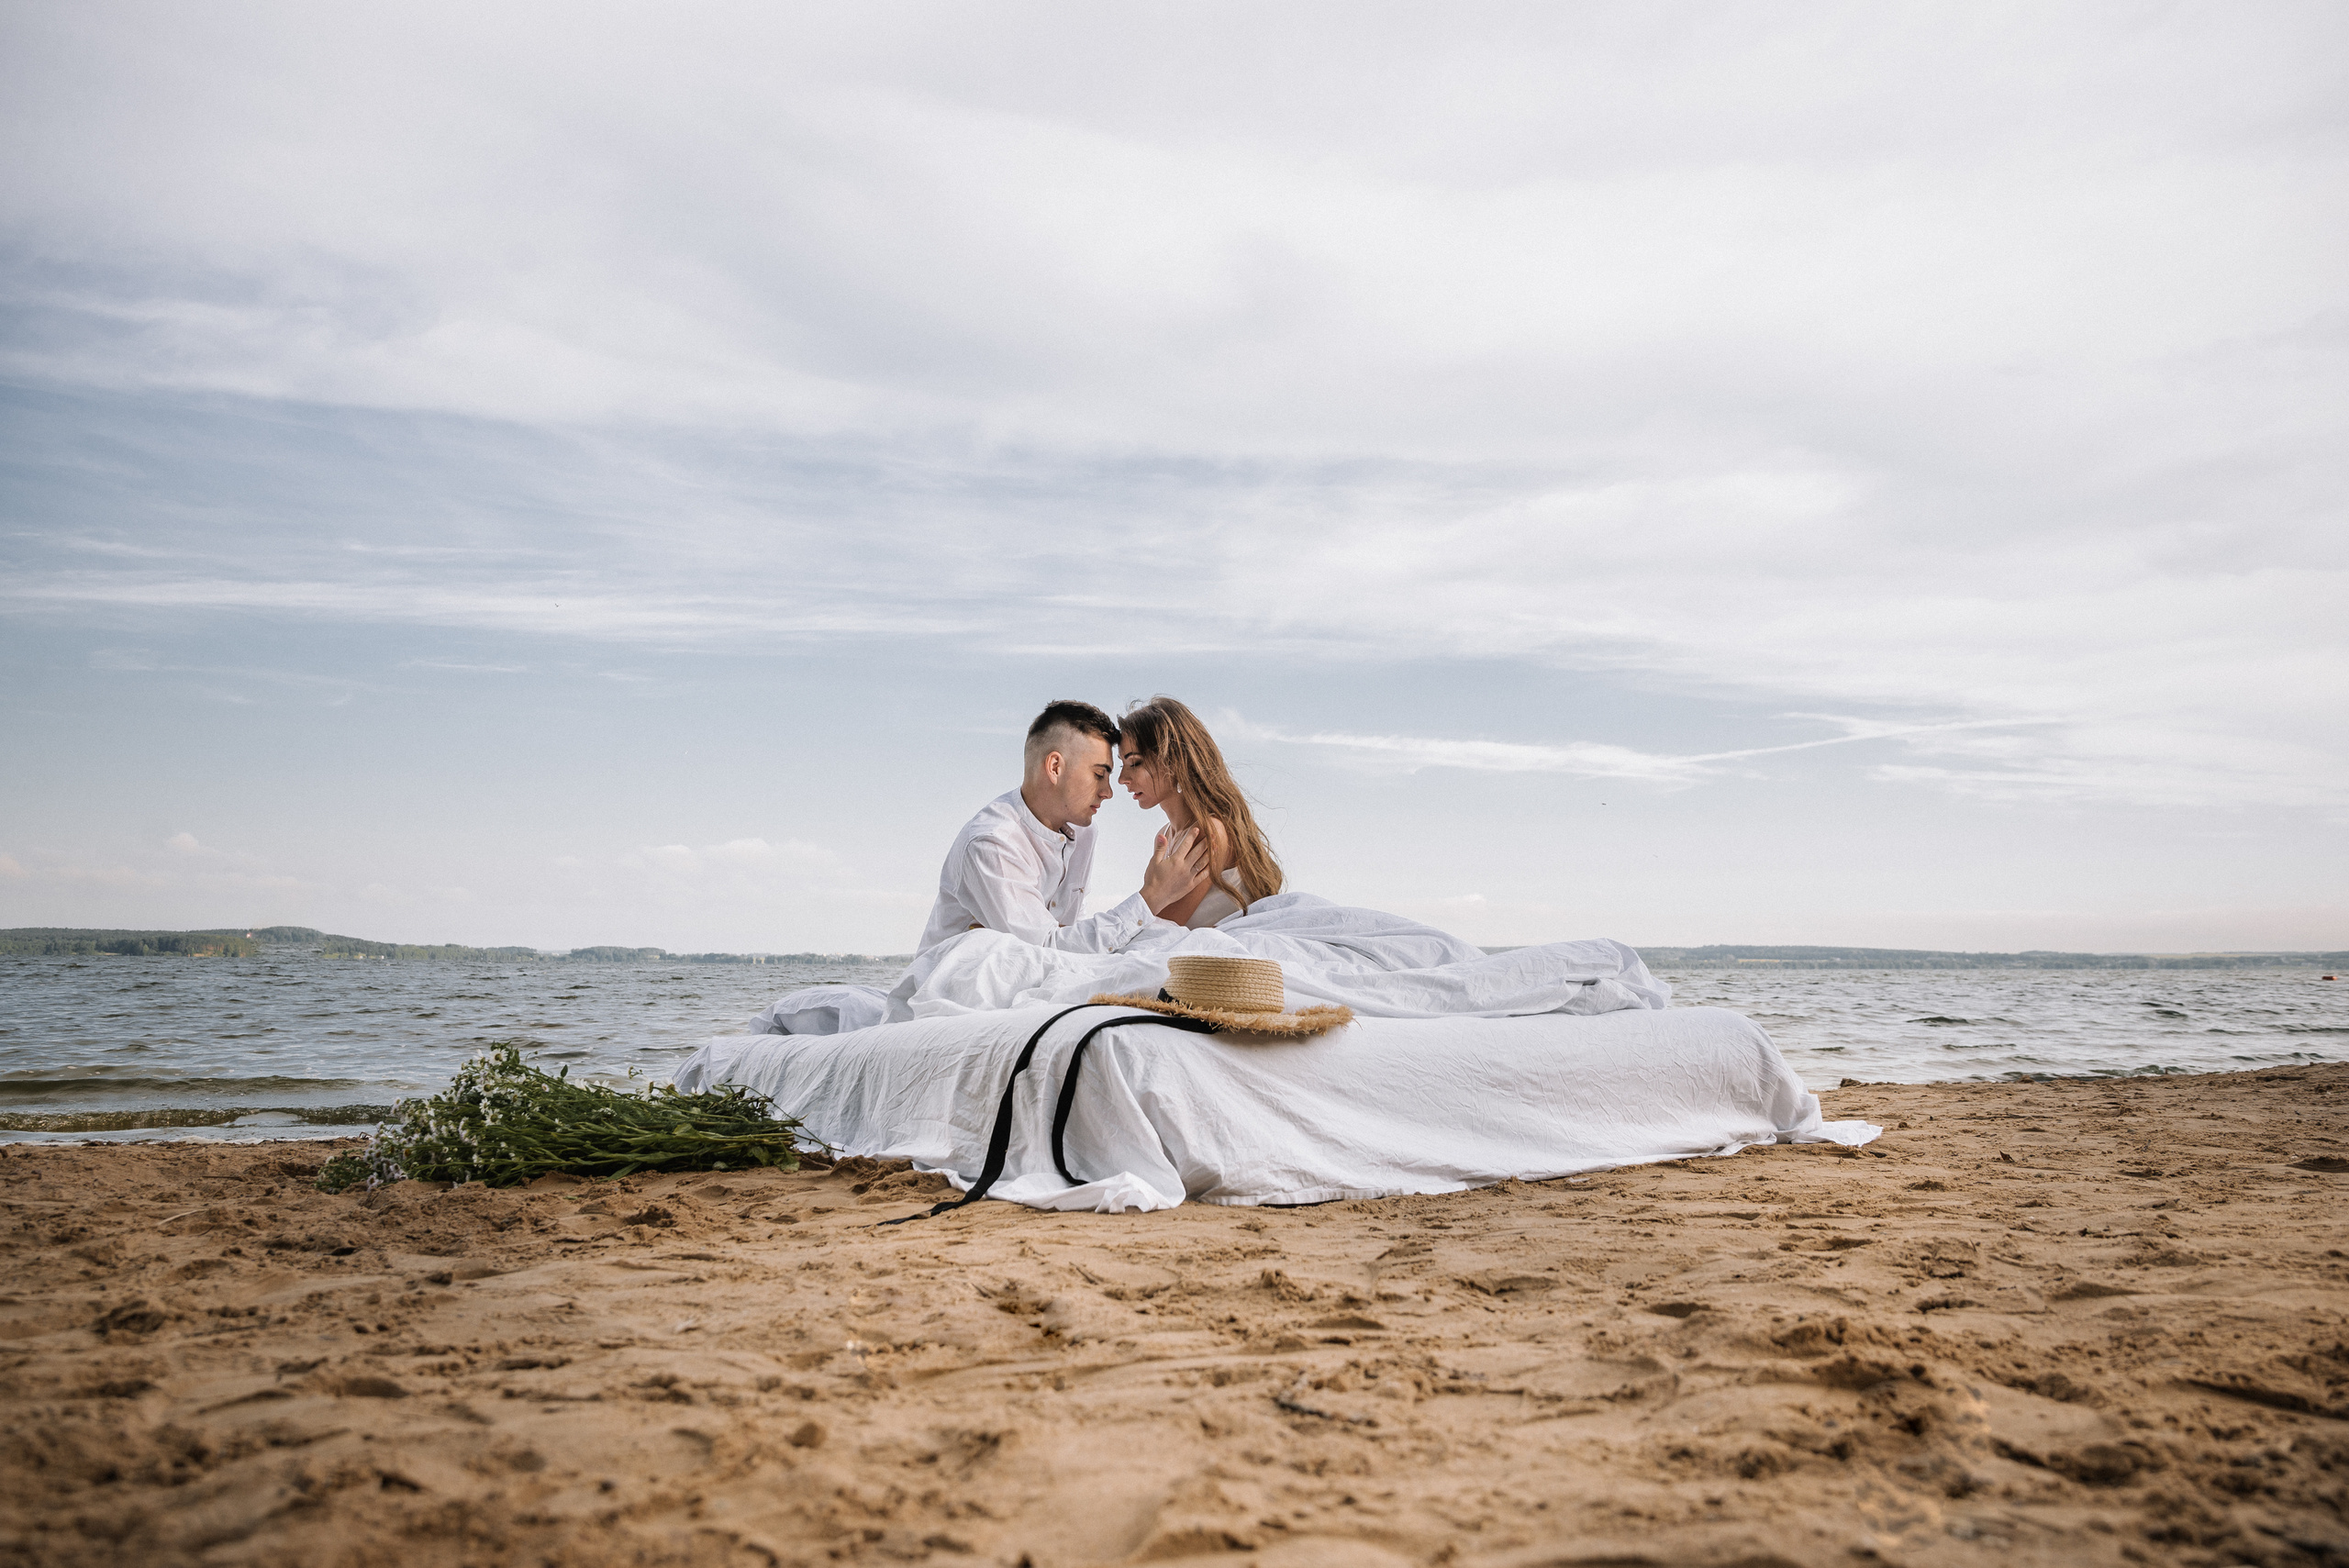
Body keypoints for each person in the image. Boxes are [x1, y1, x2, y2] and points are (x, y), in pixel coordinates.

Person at [916, 699, 1210, 954]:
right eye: (1099, 774)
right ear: (1055, 768)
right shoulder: (992, 845)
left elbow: (1065, 935)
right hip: (957, 992)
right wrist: (1152, 896)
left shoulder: (1084, 834)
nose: (1110, 790)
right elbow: (1047, 950)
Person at [1117, 696, 1284, 929]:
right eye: (1122, 764)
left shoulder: (1206, 831)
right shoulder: (1167, 834)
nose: (1122, 779)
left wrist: (1150, 892)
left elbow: (1160, 930)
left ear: (1173, 762)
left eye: (1135, 763)